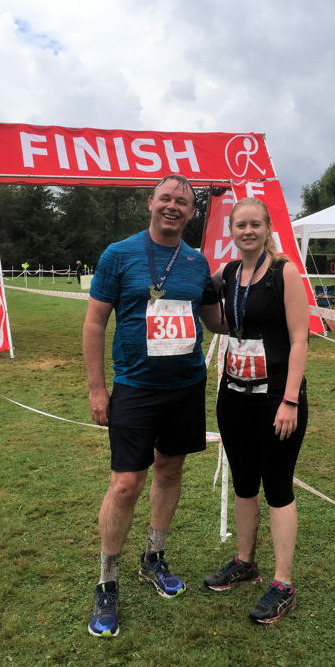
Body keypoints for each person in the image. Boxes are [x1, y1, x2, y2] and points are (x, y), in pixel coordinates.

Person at [83, 174, 224, 638]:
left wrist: (261, 285)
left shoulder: (197, 262)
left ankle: (154, 557)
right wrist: (97, 389)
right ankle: (107, 583)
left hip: (185, 387)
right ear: (150, 203)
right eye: (166, 197)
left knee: (169, 472)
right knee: (125, 484)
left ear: (191, 212)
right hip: (135, 389)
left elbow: (215, 320)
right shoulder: (118, 255)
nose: (173, 206)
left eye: (182, 201)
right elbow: (94, 324)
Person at [203, 197, 309, 625]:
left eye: (255, 225)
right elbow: (214, 313)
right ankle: (245, 561)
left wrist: (290, 400)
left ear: (267, 229)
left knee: (277, 486)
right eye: (240, 225)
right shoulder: (228, 273)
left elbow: (300, 340)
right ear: (231, 231)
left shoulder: (284, 273)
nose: (247, 231)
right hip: (234, 396)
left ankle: (283, 583)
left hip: (275, 399)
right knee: (245, 483)